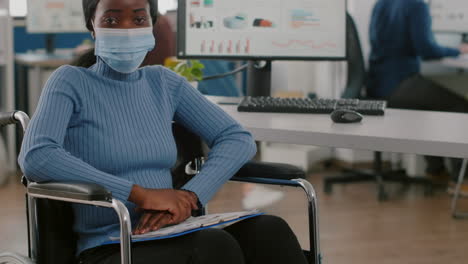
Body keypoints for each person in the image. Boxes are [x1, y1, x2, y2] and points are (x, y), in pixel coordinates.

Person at [18, 0, 308, 263]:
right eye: (112, 20)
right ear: (92, 27)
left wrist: (190, 198)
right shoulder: (70, 81)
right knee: (213, 247)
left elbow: (237, 138)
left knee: (270, 230)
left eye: (139, 19)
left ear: (151, 27)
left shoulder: (164, 83)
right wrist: (140, 195)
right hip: (110, 242)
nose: (127, 29)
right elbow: (37, 155)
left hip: (173, 228)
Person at [368, 0, 468, 190]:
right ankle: (462, 180)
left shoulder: (381, 4)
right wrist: (458, 50)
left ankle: (436, 169)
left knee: (430, 109)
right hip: (401, 83)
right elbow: (427, 50)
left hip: (377, 83)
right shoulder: (416, 5)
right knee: (460, 107)